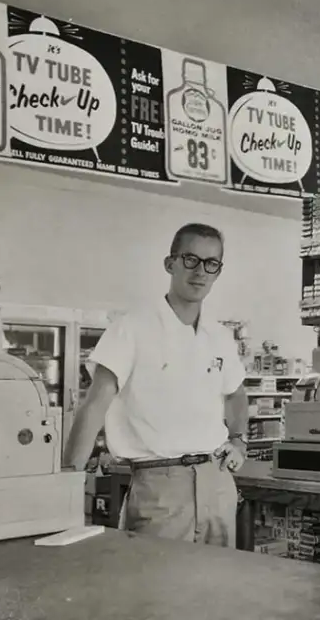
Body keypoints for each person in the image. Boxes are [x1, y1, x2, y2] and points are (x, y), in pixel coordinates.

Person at [63, 222, 248, 547]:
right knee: (157, 590)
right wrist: (66, 483)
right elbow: (94, 406)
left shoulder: (219, 336)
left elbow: (235, 393)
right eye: (190, 259)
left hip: (216, 481)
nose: (200, 271)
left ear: (219, 271)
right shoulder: (132, 328)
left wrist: (238, 440)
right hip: (160, 484)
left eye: (211, 263)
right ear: (170, 263)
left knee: (220, 590)